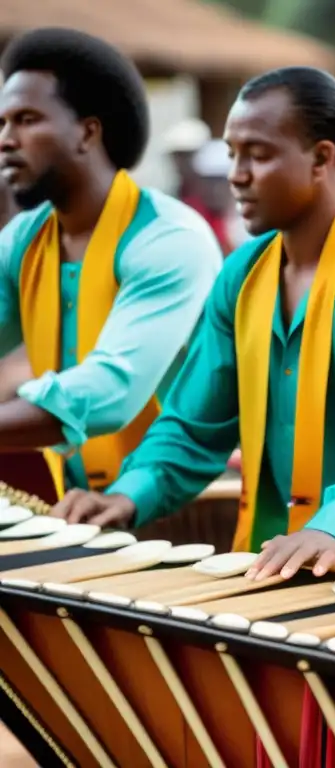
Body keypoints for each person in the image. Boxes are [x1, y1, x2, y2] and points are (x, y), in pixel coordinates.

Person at [52, 65, 335, 585]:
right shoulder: (241, 273)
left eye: (258, 155)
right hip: (283, 558)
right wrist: (130, 494)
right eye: (232, 155)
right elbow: (196, 423)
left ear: (322, 159)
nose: (236, 174)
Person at [0, 27, 222, 499]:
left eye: (26, 120)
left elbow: (108, 392)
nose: (5, 140)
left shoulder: (169, 238)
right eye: (2, 123)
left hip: (185, 503)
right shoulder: (24, 238)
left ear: (87, 131)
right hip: (80, 506)